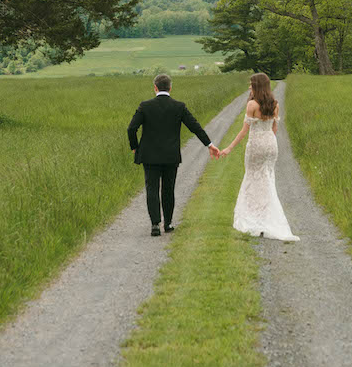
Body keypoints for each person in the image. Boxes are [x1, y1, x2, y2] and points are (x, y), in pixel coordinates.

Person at [128, 73, 220, 236]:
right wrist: (209, 144)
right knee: (168, 189)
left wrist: (135, 147)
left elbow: (131, 128)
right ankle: (168, 223)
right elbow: (195, 127)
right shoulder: (179, 106)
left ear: (155, 87)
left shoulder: (145, 106)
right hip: (171, 156)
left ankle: (155, 225)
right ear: (170, 88)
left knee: (152, 188)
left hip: (149, 156)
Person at [221, 73, 299, 242]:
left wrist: (229, 148)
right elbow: (274, 128)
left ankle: (255, 216)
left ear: (257, 86)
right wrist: (269, 141)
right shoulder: (275, 104)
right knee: (267, 178)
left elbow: (244, 131)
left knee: (253, 177)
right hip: (271, 144)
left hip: (256, 144)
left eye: (251, 84)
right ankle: (266, 214)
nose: (249, 87)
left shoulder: (252, 104)